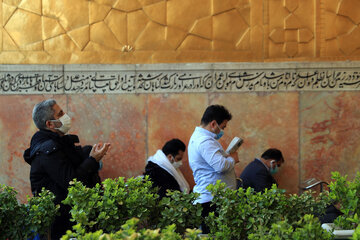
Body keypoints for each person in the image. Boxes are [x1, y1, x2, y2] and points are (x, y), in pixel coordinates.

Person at [23, 99, 110, 239]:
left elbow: (72, 162)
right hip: (64, 224)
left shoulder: (59, 142)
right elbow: (72, 182)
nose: (65, 116)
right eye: (60, 114)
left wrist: (89, 153)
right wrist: (93, 160)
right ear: (50, 124)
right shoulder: (47, 150)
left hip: (77, 218)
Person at [188, 105, 239, 233]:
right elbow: (220, 166)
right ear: (213, 124)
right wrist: (233, 159)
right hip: (211, 202)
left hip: (213, 200)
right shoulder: (204, 140)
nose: (222, 131)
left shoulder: (202, 138)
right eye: (222, 127)